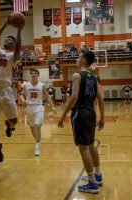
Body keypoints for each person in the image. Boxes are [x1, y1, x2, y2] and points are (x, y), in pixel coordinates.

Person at [58, 50, 105, 194]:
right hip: (91, 113)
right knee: (91, 146)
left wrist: (63, 115)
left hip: (80, 113)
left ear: (84, 60)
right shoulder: (94, 77)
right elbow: (101, 100)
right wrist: (102, 118)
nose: (77, 59)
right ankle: (97, 175)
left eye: (79, 57)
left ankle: (92, 183)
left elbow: (73, 97)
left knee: (83, 148)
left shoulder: (77, 75)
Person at [0, 17, 25, 162]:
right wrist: (6, 24)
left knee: (14, 119)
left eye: (12, 39)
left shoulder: (14, 56)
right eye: (7, 38)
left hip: (6, 90)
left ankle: (9, 125)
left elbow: (19, 46)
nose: (8, 39)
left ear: (14, 45)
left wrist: (20, 30)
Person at [20, 69, 56, 156]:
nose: (33, 74)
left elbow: (47, 96)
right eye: (31, 73)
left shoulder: (41, 85)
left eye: (35, 73)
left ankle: (37, 146)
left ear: (38, 75)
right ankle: (38, 141)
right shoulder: (26, 85)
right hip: (29, 108)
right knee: (32, 127)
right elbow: (21, 95)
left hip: (39, 107)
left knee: (38, 126)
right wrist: (23, 100)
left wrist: (53, 107)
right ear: (30, 75)